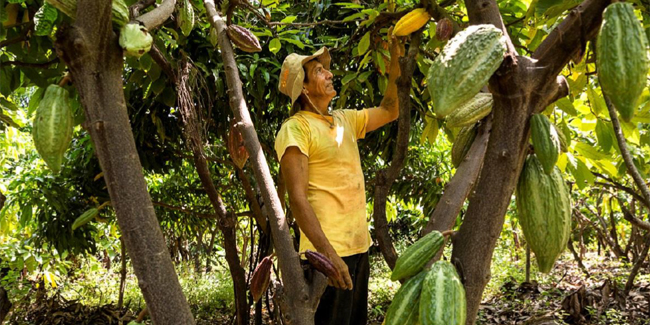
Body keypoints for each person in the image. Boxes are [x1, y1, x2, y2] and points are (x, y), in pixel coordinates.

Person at [274, 34, 403, 325]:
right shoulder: (296, 129)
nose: (329, 73)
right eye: (318, 71)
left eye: (325, 68)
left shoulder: (344, 120)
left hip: (358, 247)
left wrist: (396, 56)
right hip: (326, 257)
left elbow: (390, 110)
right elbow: (297, 198)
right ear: (304, 89)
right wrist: (329, 255)